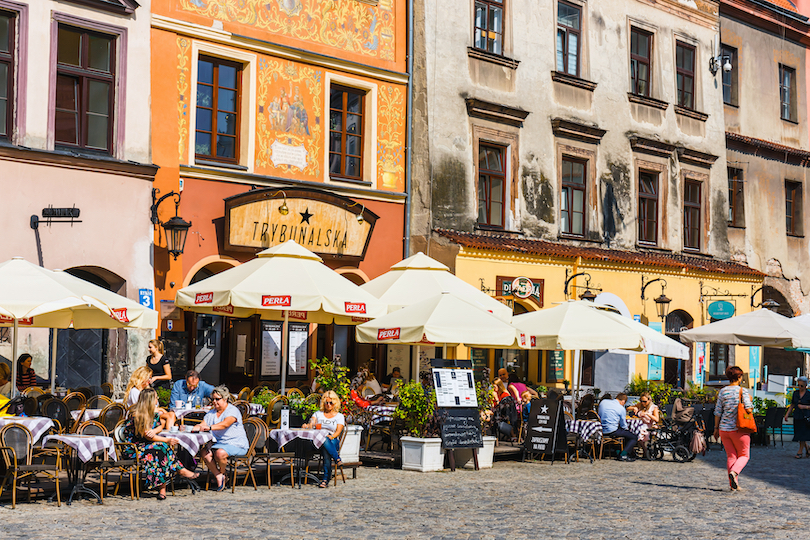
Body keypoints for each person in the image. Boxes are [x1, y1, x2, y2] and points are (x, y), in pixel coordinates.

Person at [121, 388, 199, 500]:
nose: (157, 399)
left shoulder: (153, 413)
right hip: (134, 448)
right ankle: (179, 471)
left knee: (160, 449)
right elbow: (147, 436)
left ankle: (163, 489)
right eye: (156, 398)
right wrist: (167, 439)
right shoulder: (137, 414)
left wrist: (155, 430)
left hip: (147, 445)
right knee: (161, 448)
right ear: (150, 400)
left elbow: (160, 426)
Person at [194, 386, 249, 491]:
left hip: (237, 444)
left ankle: (223, 473)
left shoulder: (232, 411)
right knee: (204, 452)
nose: (214, 402)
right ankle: (219, 475)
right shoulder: (211, 413)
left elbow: (225, 424)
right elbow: (202, 424)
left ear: (225, 399)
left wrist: (209, 427)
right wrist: (194, 428)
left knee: (219, 453)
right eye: (213, 399)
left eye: (217, 399)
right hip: (219, 444)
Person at [713, 366, 753, 491]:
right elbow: (749, 409)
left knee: (731, 456)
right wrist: (750, 400)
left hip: (724, 429)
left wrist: (715, 428)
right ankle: (735, 472)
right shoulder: (743, 391)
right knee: (744, 455)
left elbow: (718, 412)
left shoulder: (723, 391)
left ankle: (733, 485)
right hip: (739, 429)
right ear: (739, 377)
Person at [305, 390, 344, 488]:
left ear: (335, 403)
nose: (328, 405)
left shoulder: (339, 416)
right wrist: (308, 425)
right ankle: (337, 459)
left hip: (332, 439)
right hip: (317, 440)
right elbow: (312, 423)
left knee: (326, 443)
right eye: (326, 402)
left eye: (331, 403)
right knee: (324, 440)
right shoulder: (318, 414)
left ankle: (325, 479)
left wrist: (333, 436)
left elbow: (338, 431)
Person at [598, 392, 638, 462]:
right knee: (633, 437)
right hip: (612, 431)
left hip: (600, 429)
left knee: (620, 434)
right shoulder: (621, 408)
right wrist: (627, 430)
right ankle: (623, 454)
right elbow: (623, 425)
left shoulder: (603, 402)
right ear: (623, 401)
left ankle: (617, 452)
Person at [627, 391, 660, 460]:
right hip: (641, 424)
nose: (643, 403)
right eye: (641, 401)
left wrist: (648, 414)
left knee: (637, 432)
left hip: (649, 426)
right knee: (631, 431)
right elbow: (628, 408)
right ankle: (635, 451)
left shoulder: (654, 407)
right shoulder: (640, 405)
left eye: (645, 401)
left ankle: (644, 451)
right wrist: (634, 408)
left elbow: (657, 419)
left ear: (649, 400)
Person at [785, 375, 810, 459]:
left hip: (805, 416)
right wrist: (787, 414)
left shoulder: (808, 394)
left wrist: (805, 407)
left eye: (801, 385)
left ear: (806, 385)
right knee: (799, 434)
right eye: (798, 385)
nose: (799, 387)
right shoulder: (795, 393)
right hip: (797, 416)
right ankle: (808, 448)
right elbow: (792, 404)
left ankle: (800, 452)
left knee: (802, 434)